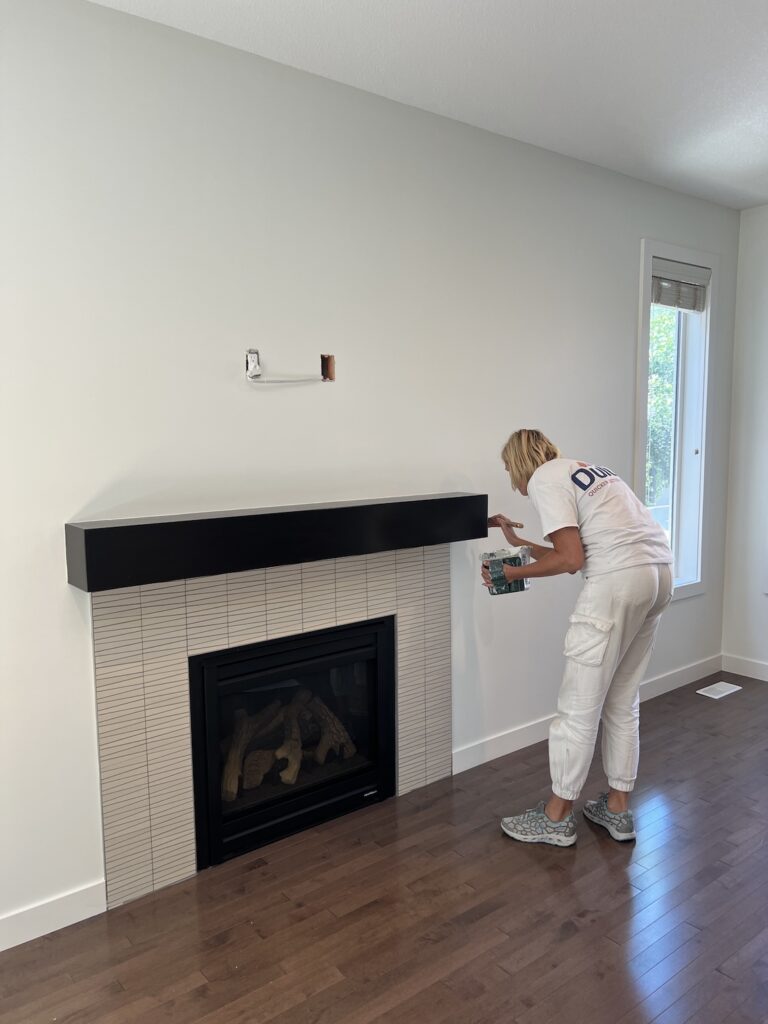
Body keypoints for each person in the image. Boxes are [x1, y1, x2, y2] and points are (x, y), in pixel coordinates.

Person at [482, 428, 673, 846]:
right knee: (622, 699)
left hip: (616, 584)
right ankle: (618, 809)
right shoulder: (584, 470)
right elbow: (579, 548)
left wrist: (510, 573)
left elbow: (571, 560)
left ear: (520, 463)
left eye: (509, 470)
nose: (513, 482)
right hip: (657, 574)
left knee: (576, 709)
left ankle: (556, 816)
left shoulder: (542, 479)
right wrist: (517, 544)